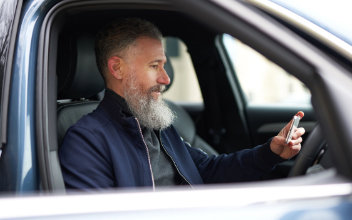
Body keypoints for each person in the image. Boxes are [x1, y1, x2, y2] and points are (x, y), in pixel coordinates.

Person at [59, 18, 305, 190]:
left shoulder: (156, 123)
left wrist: (270, 152)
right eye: (155, 66)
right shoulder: (86, 141)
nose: (166, 79)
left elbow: (206, 170)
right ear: (117, 68)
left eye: (164, 65)